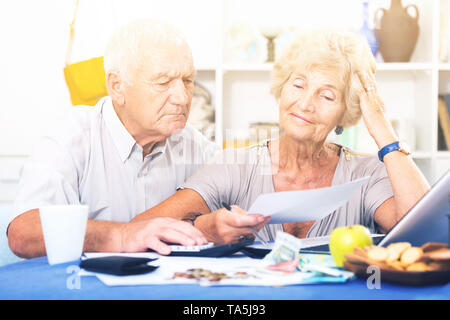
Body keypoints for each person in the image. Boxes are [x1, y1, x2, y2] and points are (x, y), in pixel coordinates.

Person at [132, 29, 430, 244]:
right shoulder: (236, 164)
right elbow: (141, 229)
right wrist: (204, 228)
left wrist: (382, 128)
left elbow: (425, 232)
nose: (305, 103)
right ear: (281, 88)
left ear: (345, 113)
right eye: (298, 85)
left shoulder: (366, 173)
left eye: (326, 95)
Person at [7, 20, 219, 257]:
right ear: (117, 86)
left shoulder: (194, 144)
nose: (182, 97)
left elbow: (234, 193)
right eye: (163, 82)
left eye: (188, 81)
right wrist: (122, 235)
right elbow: (24, 234)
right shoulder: (71, 137)